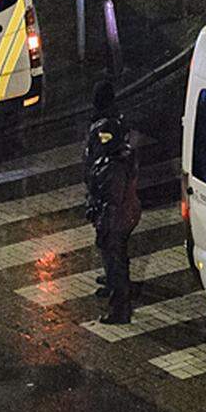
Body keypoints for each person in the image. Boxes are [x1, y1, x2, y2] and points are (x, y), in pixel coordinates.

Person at [83, 78, 141, 325]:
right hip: (118, 209)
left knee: (113, 252)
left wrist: (102, 216)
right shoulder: (113, 126)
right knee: (112, 251)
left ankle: (120, 309)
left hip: (115, 212)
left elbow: (112, 196)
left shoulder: (113, 166)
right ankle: (116, 285)